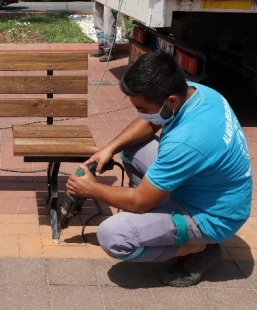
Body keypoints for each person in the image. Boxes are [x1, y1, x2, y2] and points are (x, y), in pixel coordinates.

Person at [67, 50, 252, 287]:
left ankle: (198, 248)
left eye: (143, 109)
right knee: (131, 148)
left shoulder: (186, 141)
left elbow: (140, 201)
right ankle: (155, 220)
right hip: (211, 189)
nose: (141, 114)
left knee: (113, 236)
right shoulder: (199, 93)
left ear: (171, 100)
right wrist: (109, 149)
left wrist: (91, 189)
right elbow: (150, 121)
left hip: (213, 217)